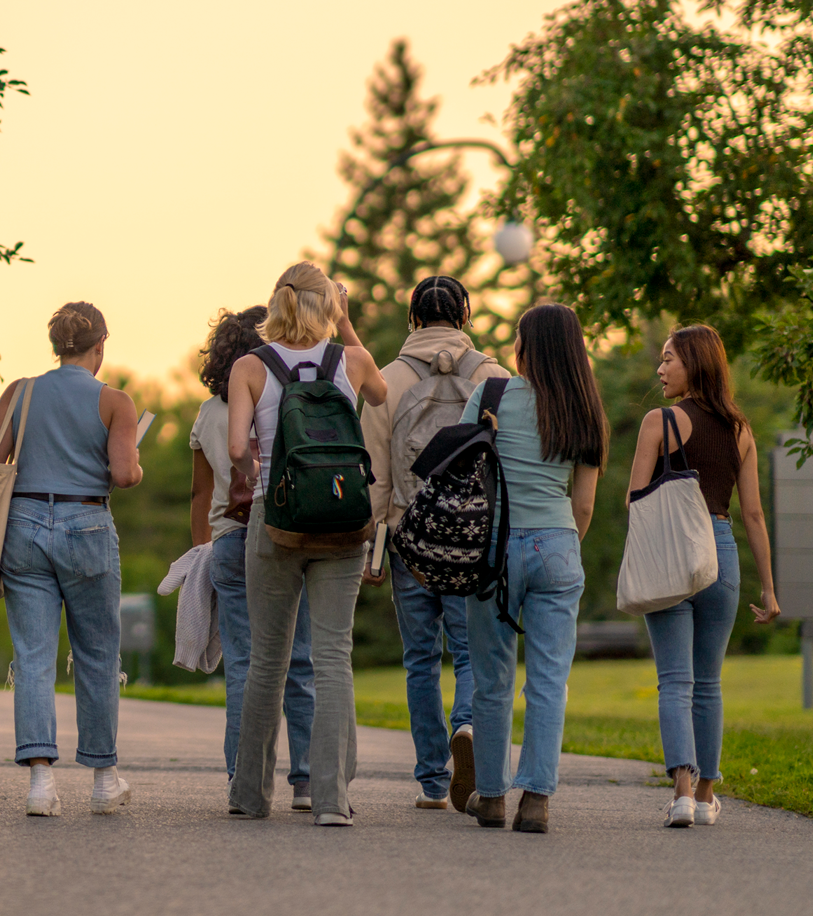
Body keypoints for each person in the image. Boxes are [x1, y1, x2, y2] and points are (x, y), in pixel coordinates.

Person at [0, 301, 143, 817]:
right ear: (100, 347)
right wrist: (134, 464)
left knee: (34, 656)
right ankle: (104, 780)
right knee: (97, 654)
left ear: (56, 346)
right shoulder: (116, 401)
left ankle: (41, 785)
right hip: (86, 525)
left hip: (21, 528)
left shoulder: (20, 392)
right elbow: (125, 475)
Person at [225, 262, 387, 826]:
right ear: (328, 304)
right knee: (333, 657)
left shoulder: (250, 366)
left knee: (267, 660)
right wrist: (345, 322)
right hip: (343, 514)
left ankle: (249, 794)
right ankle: (331, 800)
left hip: (277, 516)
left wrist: (260, 475)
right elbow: (382, 393)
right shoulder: (353, 361)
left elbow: (236, 450)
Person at [359, 276, 509, 812]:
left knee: (419, 658)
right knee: (470, 653)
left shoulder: (386, 380)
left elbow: (374, 473)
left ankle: (430, 781)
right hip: (473, 539)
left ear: (412, 318)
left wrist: (374, 551)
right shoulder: (494, 378)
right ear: (465, 316)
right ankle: (466, 725)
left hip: (408, 538)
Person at [461, 303, 607, 834]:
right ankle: (536, 800)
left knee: (492, 678)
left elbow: (461, 468)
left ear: (526, 347)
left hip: (493, 550)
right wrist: (560, 544)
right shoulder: (584, 409)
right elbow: (585, 505)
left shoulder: (491, 395)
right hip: (558, 545)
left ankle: (493, 796)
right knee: (549, 680)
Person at [626, 324, 780, 828]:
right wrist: (770, 588)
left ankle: (683, 795)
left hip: (672, 551)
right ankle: (709, 794)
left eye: (669, 359)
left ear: (694, 363)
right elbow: (753, 515)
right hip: (722, 553)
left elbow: (636, 500)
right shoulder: (741, 429)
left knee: (675, 680)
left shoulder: (660, 422)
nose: (661, 368)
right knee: (708, 683)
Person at [190, 305, 317, 809]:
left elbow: (201, 495)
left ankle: (241, 778)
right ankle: (305, 781)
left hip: (227, 541)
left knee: (243, 665)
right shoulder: (284, 397)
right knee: (300, 659)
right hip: (287, 533)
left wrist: (202, 547)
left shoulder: (208, 413)